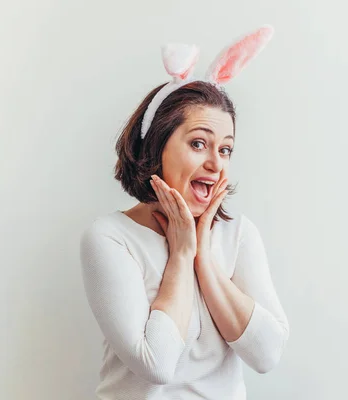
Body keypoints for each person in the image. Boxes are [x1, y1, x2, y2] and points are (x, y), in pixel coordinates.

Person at [79, 25, 289, 399]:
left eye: (225, 150)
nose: (215, 163)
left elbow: (267, 354)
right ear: (156, 145)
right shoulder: (111, 237)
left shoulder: (238, 234)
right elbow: (156, 364)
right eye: (198, 143)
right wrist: (182, 256)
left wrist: (204, 260)